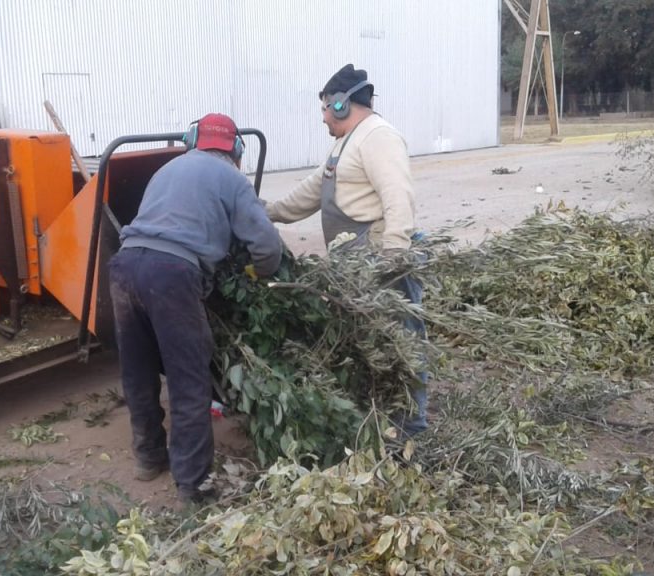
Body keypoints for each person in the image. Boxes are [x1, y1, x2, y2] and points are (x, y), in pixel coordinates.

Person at [109, 113, 282, 504]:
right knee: (189, 381)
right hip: (171, 274)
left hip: (123, 266)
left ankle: (149, 457)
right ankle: (193, 485)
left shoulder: (167, 168)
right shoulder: (234, 179)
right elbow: (267, 245)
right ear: (235, 150)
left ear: (193, 142)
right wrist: (259, 272)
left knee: (137, 371)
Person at [264, 64, 428, 435]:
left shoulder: (378, 137)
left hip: (381, 265)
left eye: (325, 108)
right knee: (372, 346)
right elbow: (312, 190)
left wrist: (394, 257)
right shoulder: (345, 142)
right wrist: (270, 212)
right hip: (355, 271)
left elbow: (398, 197)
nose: (322, 117)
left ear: (341, 104)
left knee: (403, 345)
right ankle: (380, 417)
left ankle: (411, 427)